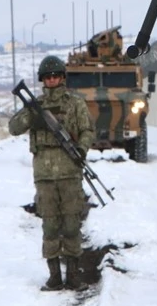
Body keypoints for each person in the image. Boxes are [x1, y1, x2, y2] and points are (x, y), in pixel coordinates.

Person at [8, 55, 96, 292]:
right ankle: (55, 276)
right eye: (48, 77)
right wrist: (30, 114)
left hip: (70, 172)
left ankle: (73, 276)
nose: (53, 80)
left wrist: (81, 149)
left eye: (56, 76)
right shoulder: (35, 105)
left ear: (63, 78)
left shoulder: (75, 104)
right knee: (50, 225)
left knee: (71, 224)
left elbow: (88, 130)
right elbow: (13, 128)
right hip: (45, 175)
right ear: (42, 80)